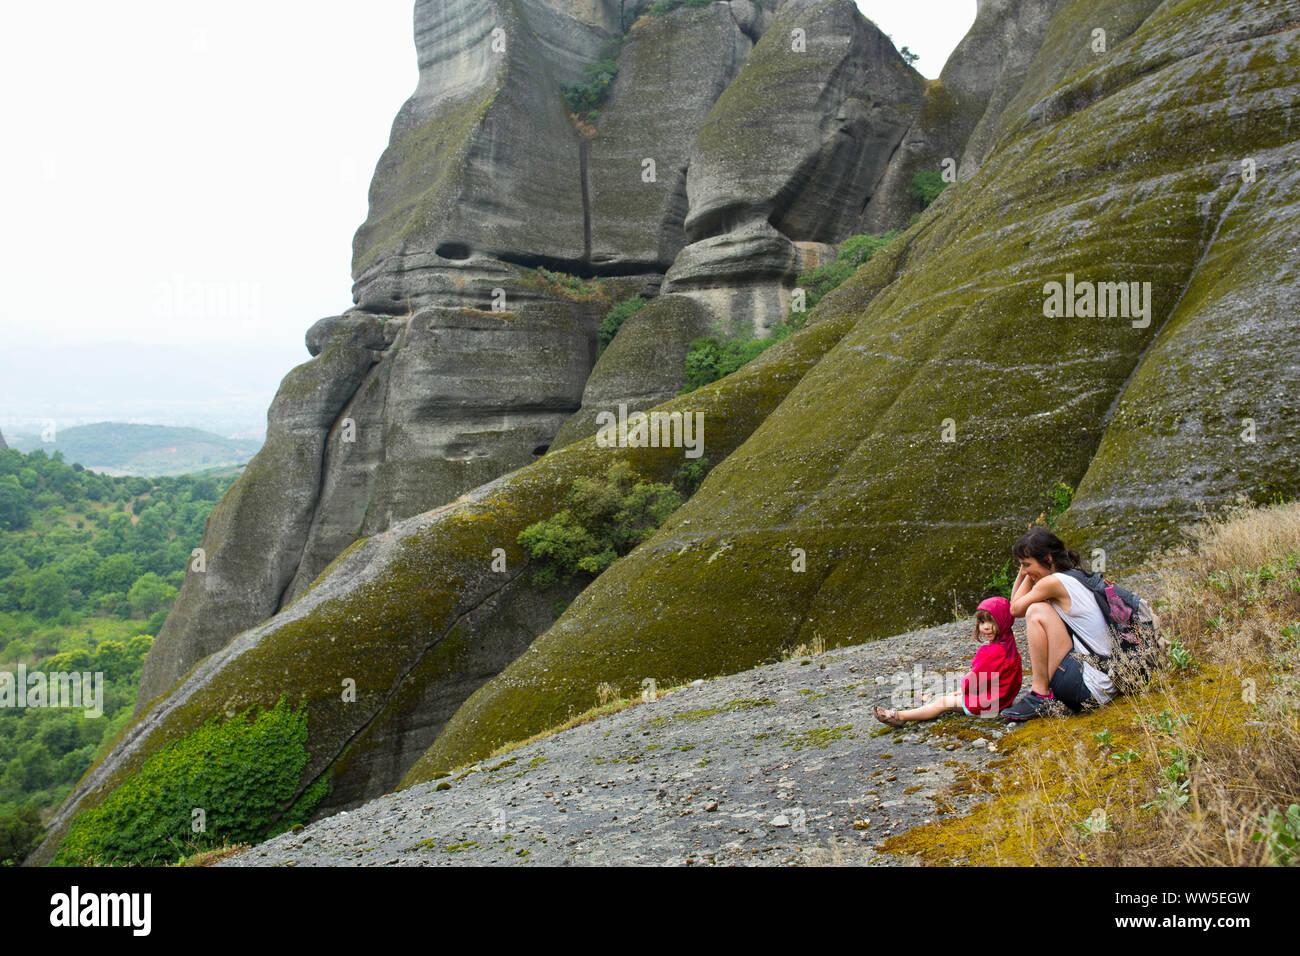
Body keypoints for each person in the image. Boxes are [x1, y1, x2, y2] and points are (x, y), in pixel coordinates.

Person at [1000, 527, 1114, 720]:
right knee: (1039, 608)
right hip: (1101, 684)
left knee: (1036, 611)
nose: (1026, 571)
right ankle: (1044, 693)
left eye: (1027, 565)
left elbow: (1015, 609)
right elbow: (1016, 604)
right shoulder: (1073, 576)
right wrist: (1028, 570)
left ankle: (1039, 694)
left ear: (1049, 559)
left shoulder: (1053, 582)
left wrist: (1026, 576)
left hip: (1085, 687)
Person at [874, 596, 1022, 726]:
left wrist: (964, 688)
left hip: (990, 703)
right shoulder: (1008, 642)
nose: (986, 627)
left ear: (1003, 621)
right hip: (1003, 697)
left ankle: (900, 716)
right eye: (982, 622)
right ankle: (925, 704)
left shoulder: (991, 652)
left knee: (943, 703)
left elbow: (975, 681)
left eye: (992, 622)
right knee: (954, 695)